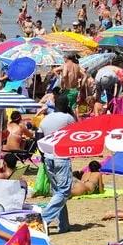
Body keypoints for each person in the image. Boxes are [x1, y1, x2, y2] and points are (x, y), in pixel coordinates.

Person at [39, 95, 76, 233]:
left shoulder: (46, 118)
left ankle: (64, 224)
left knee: (57, 192)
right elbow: (77, 130)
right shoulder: (67, 118)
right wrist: (71, 111)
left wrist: (43, 155)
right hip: (61, 156)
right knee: (64, 191)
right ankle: (43, 218)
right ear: (67, 104)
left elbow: (38, 136)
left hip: (48, 156)